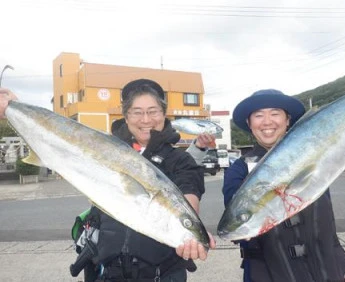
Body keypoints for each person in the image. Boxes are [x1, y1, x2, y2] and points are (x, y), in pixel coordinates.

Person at [0, 81, 216, 282]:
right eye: (137, 112)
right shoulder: (105, 147)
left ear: (163, 114)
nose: (146, 120)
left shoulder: (181, 160)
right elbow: (59, 134)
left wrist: (189, 232)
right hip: (105, 272)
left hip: (161, 274)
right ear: (126, 115)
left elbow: (188, 198)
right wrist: (15, 108)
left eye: (153, 112)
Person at [223, 89, 345, 282]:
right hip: (267, 273)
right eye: (258, 115)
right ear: (250, 124)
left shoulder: (314, 155)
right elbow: (234, 215)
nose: (267, 121)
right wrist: (241, 231)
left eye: (275, 113)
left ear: (288, 120)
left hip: (327, 268)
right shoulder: (238, 169)